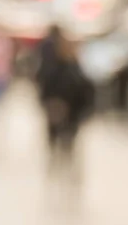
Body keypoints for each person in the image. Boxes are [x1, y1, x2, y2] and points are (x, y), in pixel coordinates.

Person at [35, 26, 94, 165]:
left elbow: (86, 93)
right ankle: (56, 164)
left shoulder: (78, 70)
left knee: (69, 143)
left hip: (73, 115)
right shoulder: (53, 68)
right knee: (55, 141)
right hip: (56, 112)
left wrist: (84, 112)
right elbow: (44, 86)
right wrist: (49, 104)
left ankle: (67, 166)